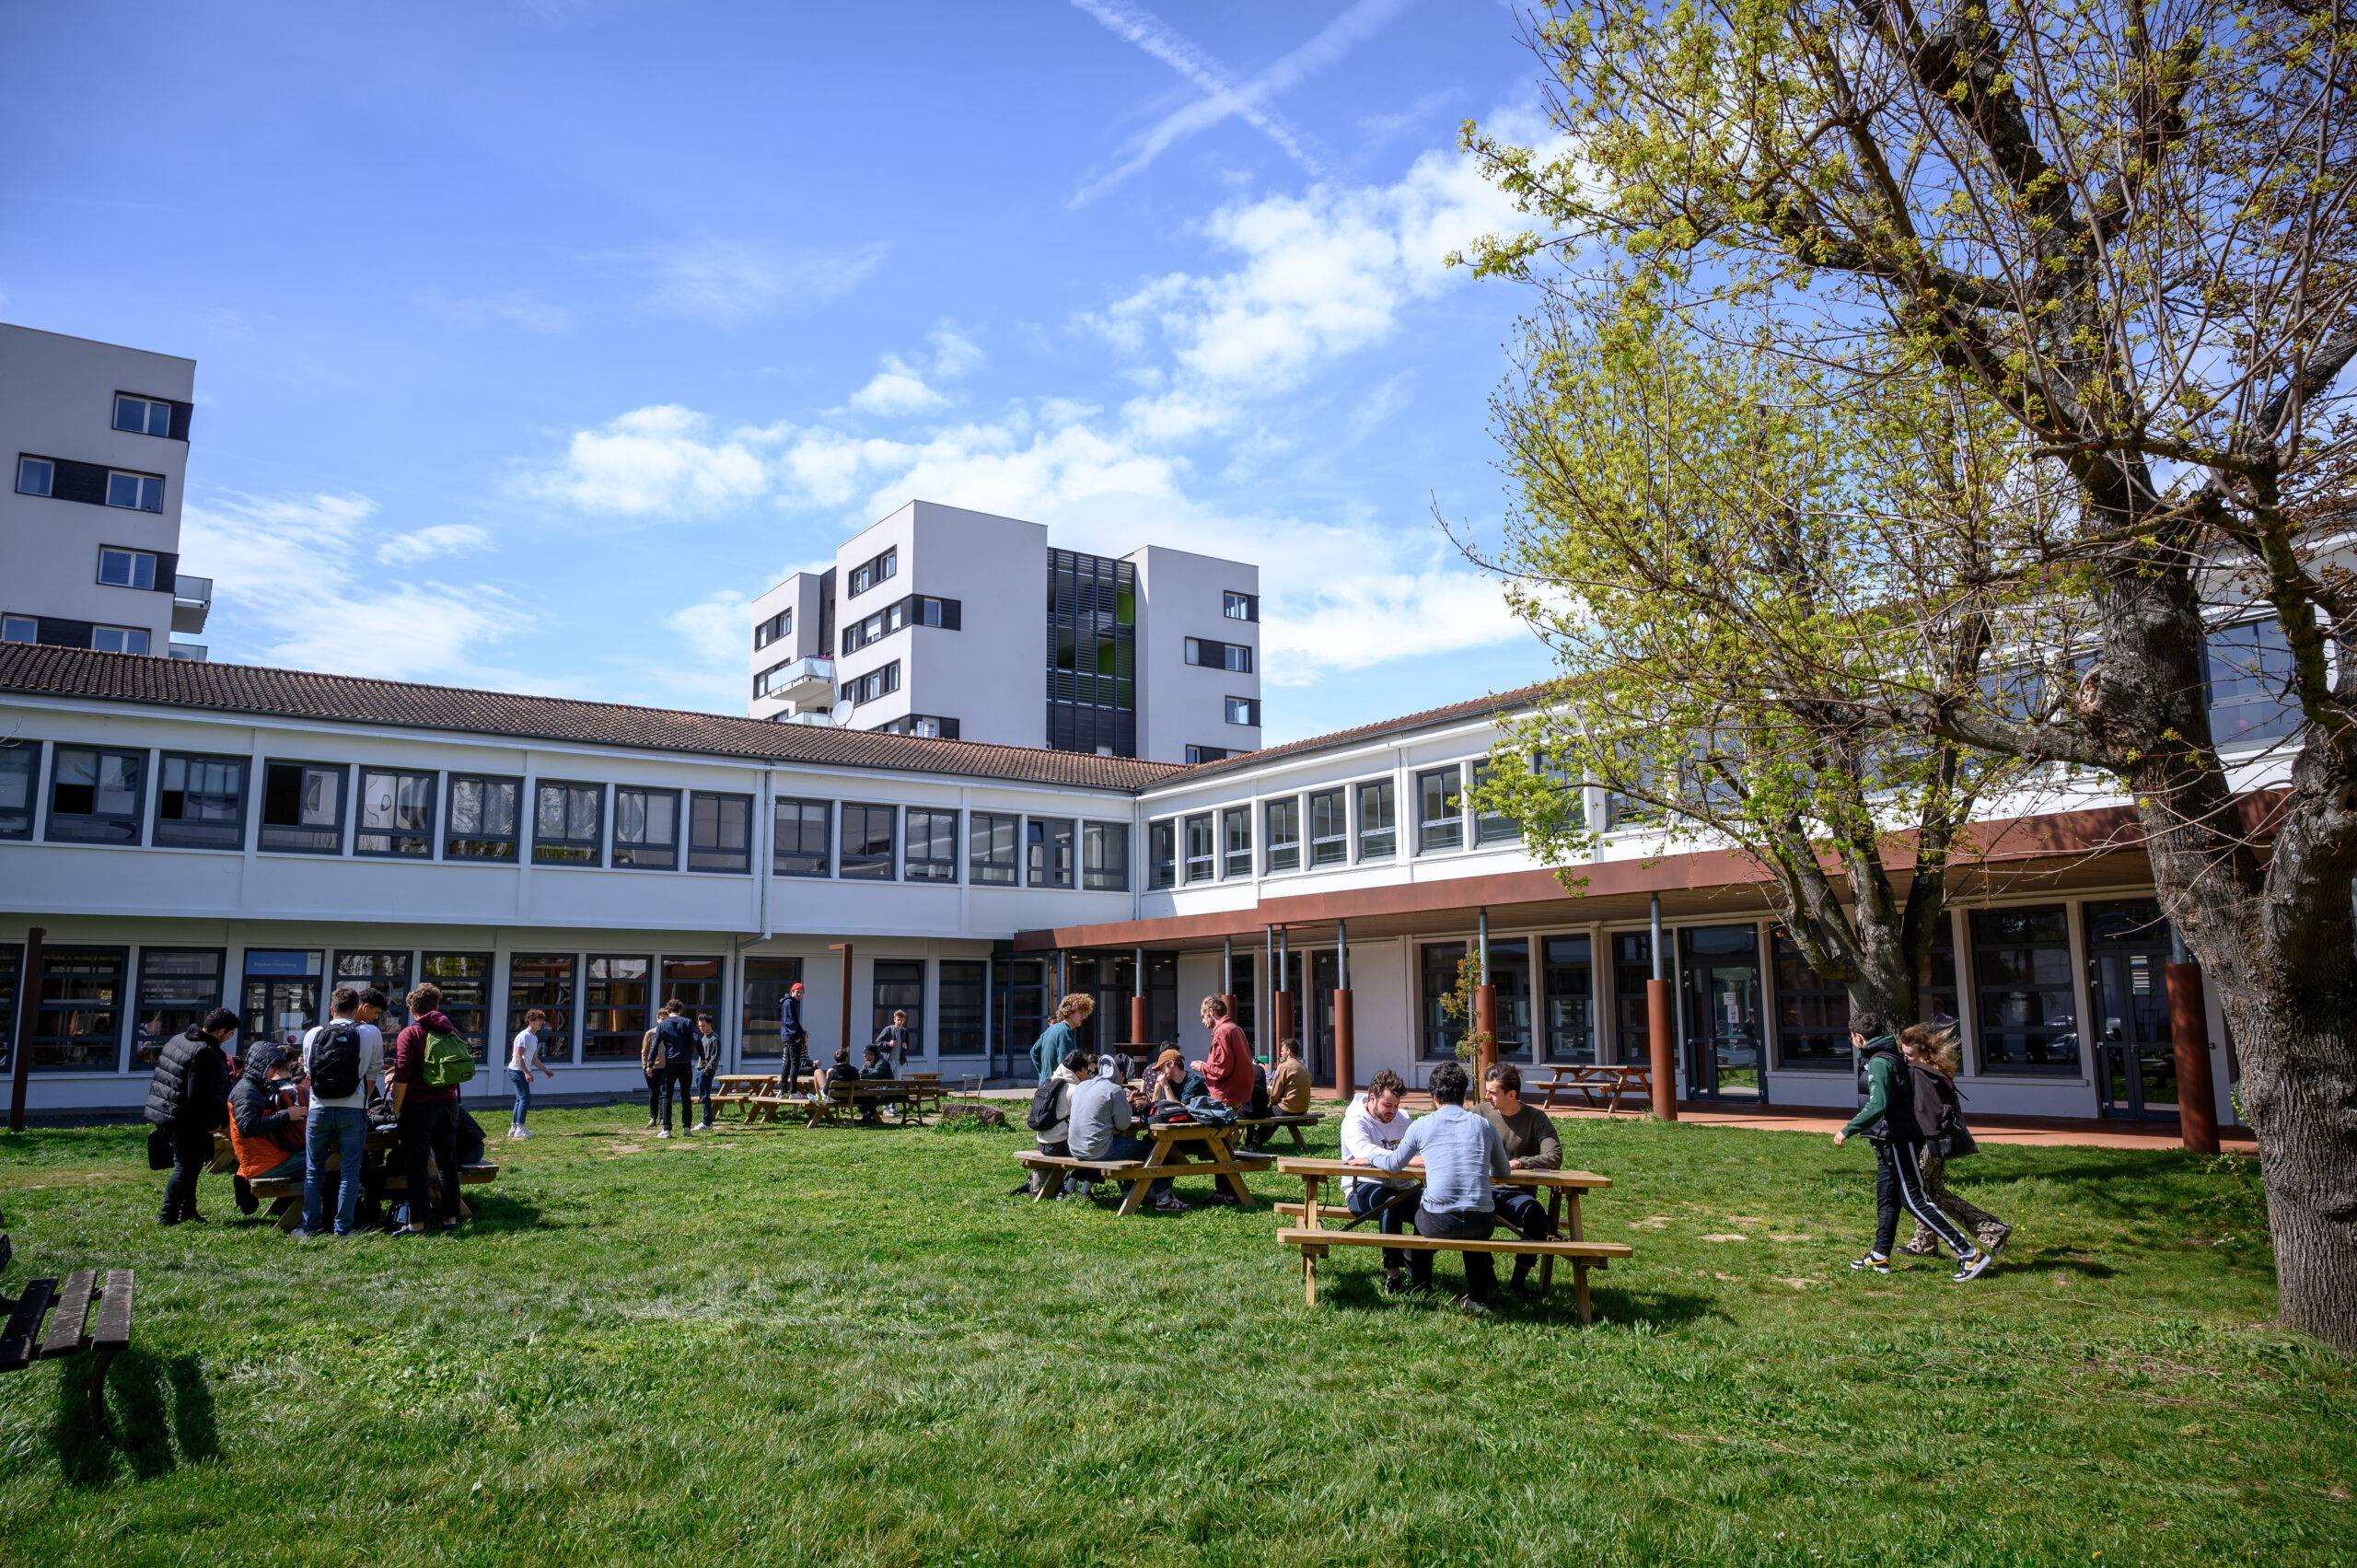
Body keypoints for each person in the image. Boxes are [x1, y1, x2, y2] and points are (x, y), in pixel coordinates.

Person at [1835, 1010, 1993, 1282]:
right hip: (1887, 1140)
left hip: (1898, 1139)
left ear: (1858, 1037)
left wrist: (1847, 1130)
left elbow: (1877, 1105)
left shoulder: (1879, 1062)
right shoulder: (1886, 1054)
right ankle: (1880, 1255)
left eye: (1851, 1037)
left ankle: (1969, 1254)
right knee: (1887, 1198)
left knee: (1914, 1200)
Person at [1366, 1061, 1511, 1313]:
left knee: (1421, 1218)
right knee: (1473, 1228)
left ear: (1434, 1096)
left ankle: (1421, 1286)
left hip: (1438, 1221)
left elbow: (1393, 1164)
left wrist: (1370, 1155)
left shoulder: (1422, 1125)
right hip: (1482, 1220)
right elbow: (1503, 1172)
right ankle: (1478, 1296)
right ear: (1464, 1094)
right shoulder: (1484, 1125)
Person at [1897, 1024, 2011, 1258]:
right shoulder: (1936, 1070)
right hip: (1938, 1141)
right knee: (1932, 1192)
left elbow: (1926, 1112)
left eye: (1909, 1054)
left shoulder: (1920, 1073)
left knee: (1925, 1193)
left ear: (1921, 1052)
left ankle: (1991, 1229)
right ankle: (1926, 1243)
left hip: (1929, 1142)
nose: (1906, 1059)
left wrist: (1918, 1136)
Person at [298, 986, 385, 1237]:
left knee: (313, 1170)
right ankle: (343, 1228)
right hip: (353, 1108)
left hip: (319, 1108)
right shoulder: (370, 1033)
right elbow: (373, 1074)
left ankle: (309, 1226)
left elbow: (309, 1073)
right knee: (350, 1170)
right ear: (357, 1009)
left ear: (331, 1009)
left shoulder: (313, 1034)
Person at [144, 1006, 238, 1225]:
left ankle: (188, 1210)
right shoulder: (205, 1052)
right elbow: (198, 1096)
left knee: (191, 1165)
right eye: (230, 1033)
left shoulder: (180, 1039)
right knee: (185, 1167)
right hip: (187, 1119)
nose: (230, 1037)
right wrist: (212, 1123)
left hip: (166, 1110)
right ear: (221, 1031)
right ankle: (167, 1215)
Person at [1478, 1063, 1562, 1295]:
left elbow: (1554, 1156)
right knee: (1470, 1214)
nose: (1487, 1096)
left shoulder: (1536, 1118)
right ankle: (1488, 1280)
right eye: (1487, 1091)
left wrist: (1521, 1162)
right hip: (1484, 1192)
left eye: (1493, 1092)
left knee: (1535, 1215)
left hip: (1518, 1194)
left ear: (1511, 1094)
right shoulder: (1479, 1113)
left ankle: (1518, 1282)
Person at [389, 982, 466, 1237]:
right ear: (437, 1006)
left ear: (413, 1009)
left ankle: (418, 1222)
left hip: (417, 1105)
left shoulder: (410, 1034)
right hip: (448, 1103)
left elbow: (401, 1075)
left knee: (417, 1165)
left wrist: (397, 1109)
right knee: (447, 1163)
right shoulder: (451, 1031)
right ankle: (450, 1217)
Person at [1066, 1049, 1181, 1212]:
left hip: (1075, 1147)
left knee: (1125, 1150)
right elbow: (1124, 1125)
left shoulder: (1083, 1085)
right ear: (1117, 1073)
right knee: (1154, 1151)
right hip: (1098, 1148)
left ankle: (1129, 1193)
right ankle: (1164, 1199)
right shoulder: (1113, 1089)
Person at [1340, 1068, 1419, 1295]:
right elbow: (1363, 1151)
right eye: (1387, 1105)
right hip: (1363, 1187)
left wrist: (1405, 1159)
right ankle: (1393, 1275)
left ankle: (1418, 1265)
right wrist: (1404, 1159)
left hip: (1402, 1186)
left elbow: (1418, 1152)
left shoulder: (1404, 1119)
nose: (1392, 1111)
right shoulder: (1354, 1121)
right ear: (1372, 1098)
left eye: (1396, 1105)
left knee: (1433, 1205)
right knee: (1390, 1203)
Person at [226, 1040, 308, 1193]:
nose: (275, 1073)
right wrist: (286, 1115)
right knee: (321, 1161)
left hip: (264, 1158)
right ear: (261, 1065)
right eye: (273, 1068)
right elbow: (248, 1127)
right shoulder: (246, 1092)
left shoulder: (252, 1086)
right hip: (263, 1163)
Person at [1027, 1048, 1085, 1196]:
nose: (1089, 1075)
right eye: (1088, 1071)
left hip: (1042, 1143)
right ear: (1079, 1072)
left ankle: (1069, 1186)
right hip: (1060, 1146)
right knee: (1093, 1148)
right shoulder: (1074, 1090)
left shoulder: (1049, 1083)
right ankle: (1077, 1189)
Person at [1189, 995, 1256, 1116]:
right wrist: (1206, 1065)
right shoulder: (1235, 1028)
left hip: (1227, 1095)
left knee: (1205, 1122)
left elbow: (1222, 1068)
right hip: (1240, 1093)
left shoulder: (1222, 1032)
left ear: (1211, 1012)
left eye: (1203, 1016)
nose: (1202, 1021)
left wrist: (1201, 1067)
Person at [1246, 1037, 1313, 1151]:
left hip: (1288, 1108)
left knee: (1261, 1112)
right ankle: (1255, 1139)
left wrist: (1272, 1103)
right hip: (1302, 1109)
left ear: (1288, 1051)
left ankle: (1254, 1141)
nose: (1280, 1052)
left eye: (1282, 1050)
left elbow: (1274, 1094)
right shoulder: (1303, 1067)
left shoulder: (1284, 1066)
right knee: (1274, 1113)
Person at [646, 1000, 700, 1139]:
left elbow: (655, 1045)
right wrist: (703, 1057)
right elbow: (697, 1039)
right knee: (686, 1095)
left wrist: (650, 1064)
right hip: (685, 1063)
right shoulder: (687, 1022)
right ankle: (687, 1128)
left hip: (670, 1064)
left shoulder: (663, 1025)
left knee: (666, 1096)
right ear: (680, 1010)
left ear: (668, 1011)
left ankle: (667, 1129)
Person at [1029, 994, 1094, 1086]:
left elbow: (1033, 1052)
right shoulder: (1065, 1031)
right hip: (1057, 1087)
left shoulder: (1050, 1029)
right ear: (1070, 1012)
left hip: (1044, 1086)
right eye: (1081, 1013)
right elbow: (1068, 1064)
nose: (1083, 1017)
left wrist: (1044, 1073)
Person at [508, 1009, 553, 1139]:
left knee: (520, 1099)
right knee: (525, 1099)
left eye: (542, 1021)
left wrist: (545, 1070)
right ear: (531, 1021)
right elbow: (518, 1056)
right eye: (539, 1020)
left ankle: (514, 1128)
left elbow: (534, 1059)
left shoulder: (534, 1037)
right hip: (516, 1071)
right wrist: (526, 1072)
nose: (541, 1023)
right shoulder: (524, 1036)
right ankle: (520, 1129)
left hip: (520, 1071)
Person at [693, 1012, 722, 1132]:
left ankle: (707, 1122)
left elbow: (715, 1057)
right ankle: (706, 1121)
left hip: (706, 1072)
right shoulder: (703, 1037)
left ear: (709, 1024)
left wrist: (706, 1070)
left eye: (703, 1025)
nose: (701, 1028)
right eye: (699, 1026)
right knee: (702, 1096)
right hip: (700, 1070)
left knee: (705, 1097)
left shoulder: (714, 1038)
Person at [781, 981, 810, 1086]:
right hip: (791, 1037)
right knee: (794, 1064)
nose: (799, 994)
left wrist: (802, 1031)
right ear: (792, 991)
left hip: (788, 1036)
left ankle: (784, 1090)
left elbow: (794, 1022)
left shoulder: (790, 1002)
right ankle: (793, 1091)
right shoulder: (789, 1003)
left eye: (802, 993)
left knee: (788, 1063)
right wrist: (797, 1036)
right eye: (798, 992)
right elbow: (790, 1022)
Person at [873, 1009, 912, 1076]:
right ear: (894, 1020)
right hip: (888, 1061)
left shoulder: (904, 1032)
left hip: (899, 1062)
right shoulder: (888, 1030)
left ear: (904, 1021)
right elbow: (877, 1043)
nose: (899, 1022)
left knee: (897, 1081)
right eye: (898, 1020)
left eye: (901, 1020)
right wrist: (888, 1044)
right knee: (887, 1080)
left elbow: (908, 1047)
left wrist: (906, 1047)